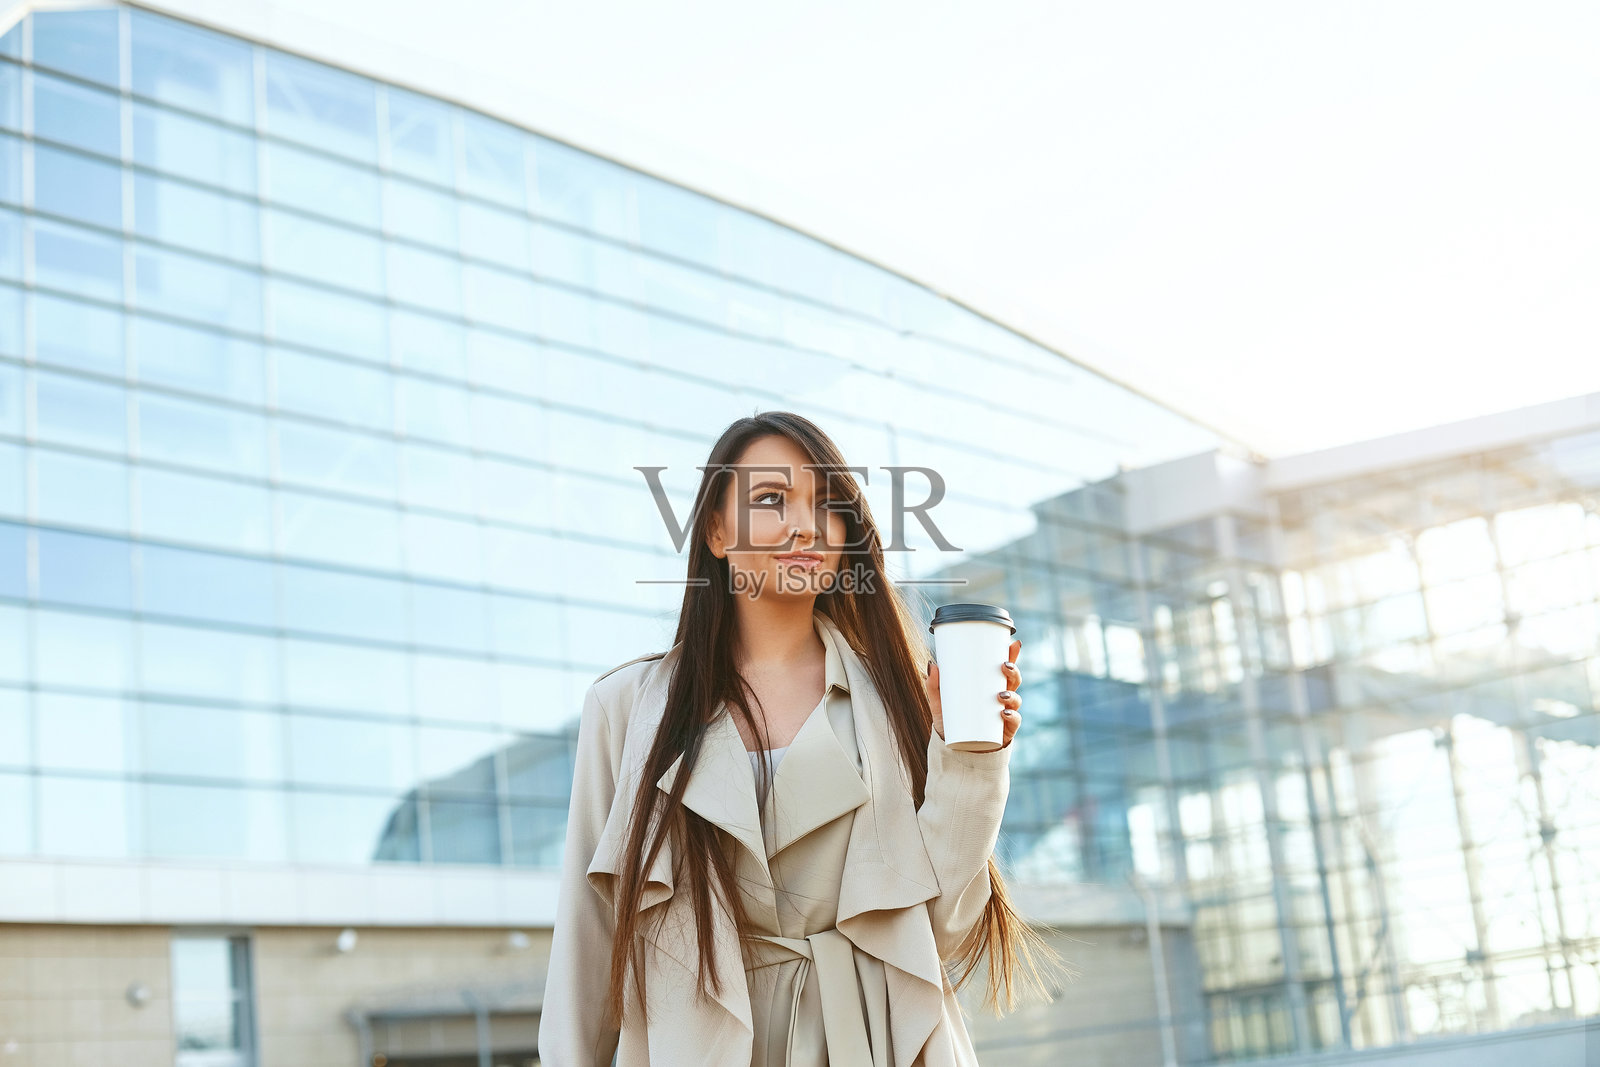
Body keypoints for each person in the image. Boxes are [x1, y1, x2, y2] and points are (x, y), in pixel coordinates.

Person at [539, 411, 1056, 1065]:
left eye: (827, 503)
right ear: (716, 532)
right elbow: (587, 942)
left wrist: (968, 758)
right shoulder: (627, 707)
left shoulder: (898, 698)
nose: (805, 524)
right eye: (770, 498)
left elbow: (942, 928)